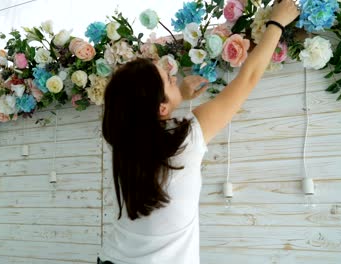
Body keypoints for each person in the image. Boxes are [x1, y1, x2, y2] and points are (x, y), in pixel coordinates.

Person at [99, 0, 300, 263]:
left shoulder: (121, 140)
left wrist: (176, 97)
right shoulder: (186, 140)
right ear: (160, 107)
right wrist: (276, 23)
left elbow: (140, 113)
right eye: (171, 80)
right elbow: (248, 77)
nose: (176, 78)